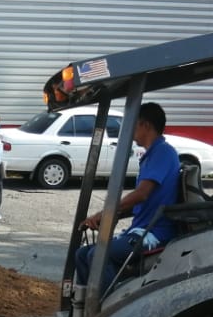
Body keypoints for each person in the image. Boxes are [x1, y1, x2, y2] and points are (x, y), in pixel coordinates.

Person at [74, 102, 180, 288]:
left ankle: (106, 308)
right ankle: (85, 310)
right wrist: (109, 216)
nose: (128, 130)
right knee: (81, 254)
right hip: (140, 229)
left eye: (132, 124)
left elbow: (142, 195)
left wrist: (105, 213)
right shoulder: (153, 154)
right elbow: (141, 204)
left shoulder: (163, 152)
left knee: (96, 256)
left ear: (145, 125)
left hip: (154, 233)